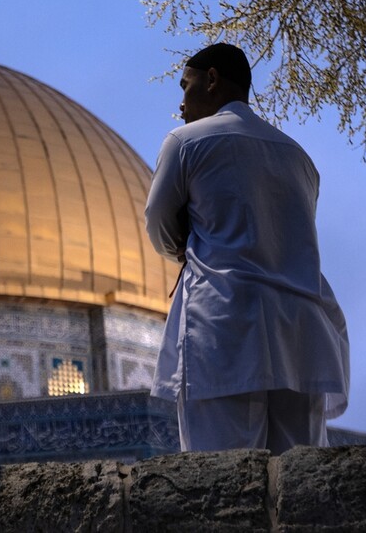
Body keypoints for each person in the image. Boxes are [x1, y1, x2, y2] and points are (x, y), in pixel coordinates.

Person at [144, 43, 350, 454]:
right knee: (299, 481)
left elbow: (159, 225)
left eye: (186, 87)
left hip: (224, 331)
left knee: (222, 475)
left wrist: (186, 247)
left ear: (213, 79)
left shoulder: (186, 142)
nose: (181, 104)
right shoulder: (298, 156)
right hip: (301, 338)